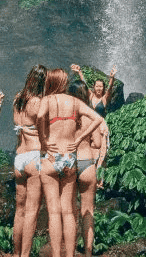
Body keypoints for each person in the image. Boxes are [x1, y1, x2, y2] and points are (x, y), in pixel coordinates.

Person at [37, 68, 104, 257]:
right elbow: (98, 119)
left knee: (54, 212)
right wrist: (82, 135)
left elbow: (40, 116)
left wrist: (44, 141)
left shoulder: (47, 100)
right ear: (63, 83)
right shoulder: (74, 102)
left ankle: (57, 254)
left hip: (52, 156)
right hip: (70, 157)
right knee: (68, 212)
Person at [68, 81, 109, 257]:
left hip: (69, 163)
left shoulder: (66, 116)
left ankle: (69, 251)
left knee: (70, 210)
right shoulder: (90, 116)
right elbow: (98, 143)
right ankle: (88, 252)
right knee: (88, 210)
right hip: (86, 162)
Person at [13, 64, 47, 257]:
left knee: (19, 211)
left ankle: (16, 254)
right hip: (34, 158)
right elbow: (46, 134)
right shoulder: (38, 102)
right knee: (32, 212)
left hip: (19, 158)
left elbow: (18, 129)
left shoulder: (18, 99)